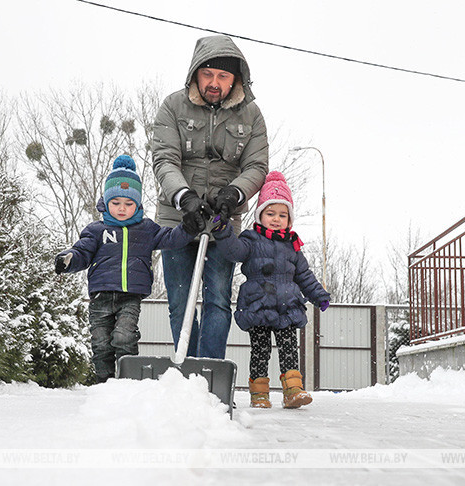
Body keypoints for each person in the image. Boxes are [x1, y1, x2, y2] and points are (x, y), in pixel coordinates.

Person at [152, 35, 269, 359]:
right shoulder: (173, 106)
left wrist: (234, 192)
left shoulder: (251, 115)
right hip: (179, 219)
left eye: (223, 76)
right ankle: (187, 369)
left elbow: (257, 165)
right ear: (195, 73)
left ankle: (209, 370)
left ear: (236, 78)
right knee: (179, 300)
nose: (214, 83)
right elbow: (164, 158)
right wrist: (184, 197)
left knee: (218, 298)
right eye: (208, 74)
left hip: (221, 222)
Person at [54, 155, 198, 383]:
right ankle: (104, 382)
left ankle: (127, 382)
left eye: (128, 204)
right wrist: (68, 259)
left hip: (130, 295)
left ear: (138, 204)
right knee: (101, 342)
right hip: (101, 295)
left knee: (123, 336)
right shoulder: (96, 230)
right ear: (107, 202)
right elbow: (81, 252)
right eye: (116, 203)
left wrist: (188, 228)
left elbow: (171, 238)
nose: (122, 209)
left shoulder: (146, 229)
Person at [214, 171, 330, 409]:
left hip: (287, 308)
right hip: (258, 305)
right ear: (260, 215)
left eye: (282, 215)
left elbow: (305, 276)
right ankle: (259, 394)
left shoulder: (293, 247)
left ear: (289, 219)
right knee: (260, 350)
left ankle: (293, 390)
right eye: (270, 213)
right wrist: (223, 231)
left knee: (289, 349)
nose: (276, 219)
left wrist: (319, 296)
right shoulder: (251, 239)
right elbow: (234, 251)